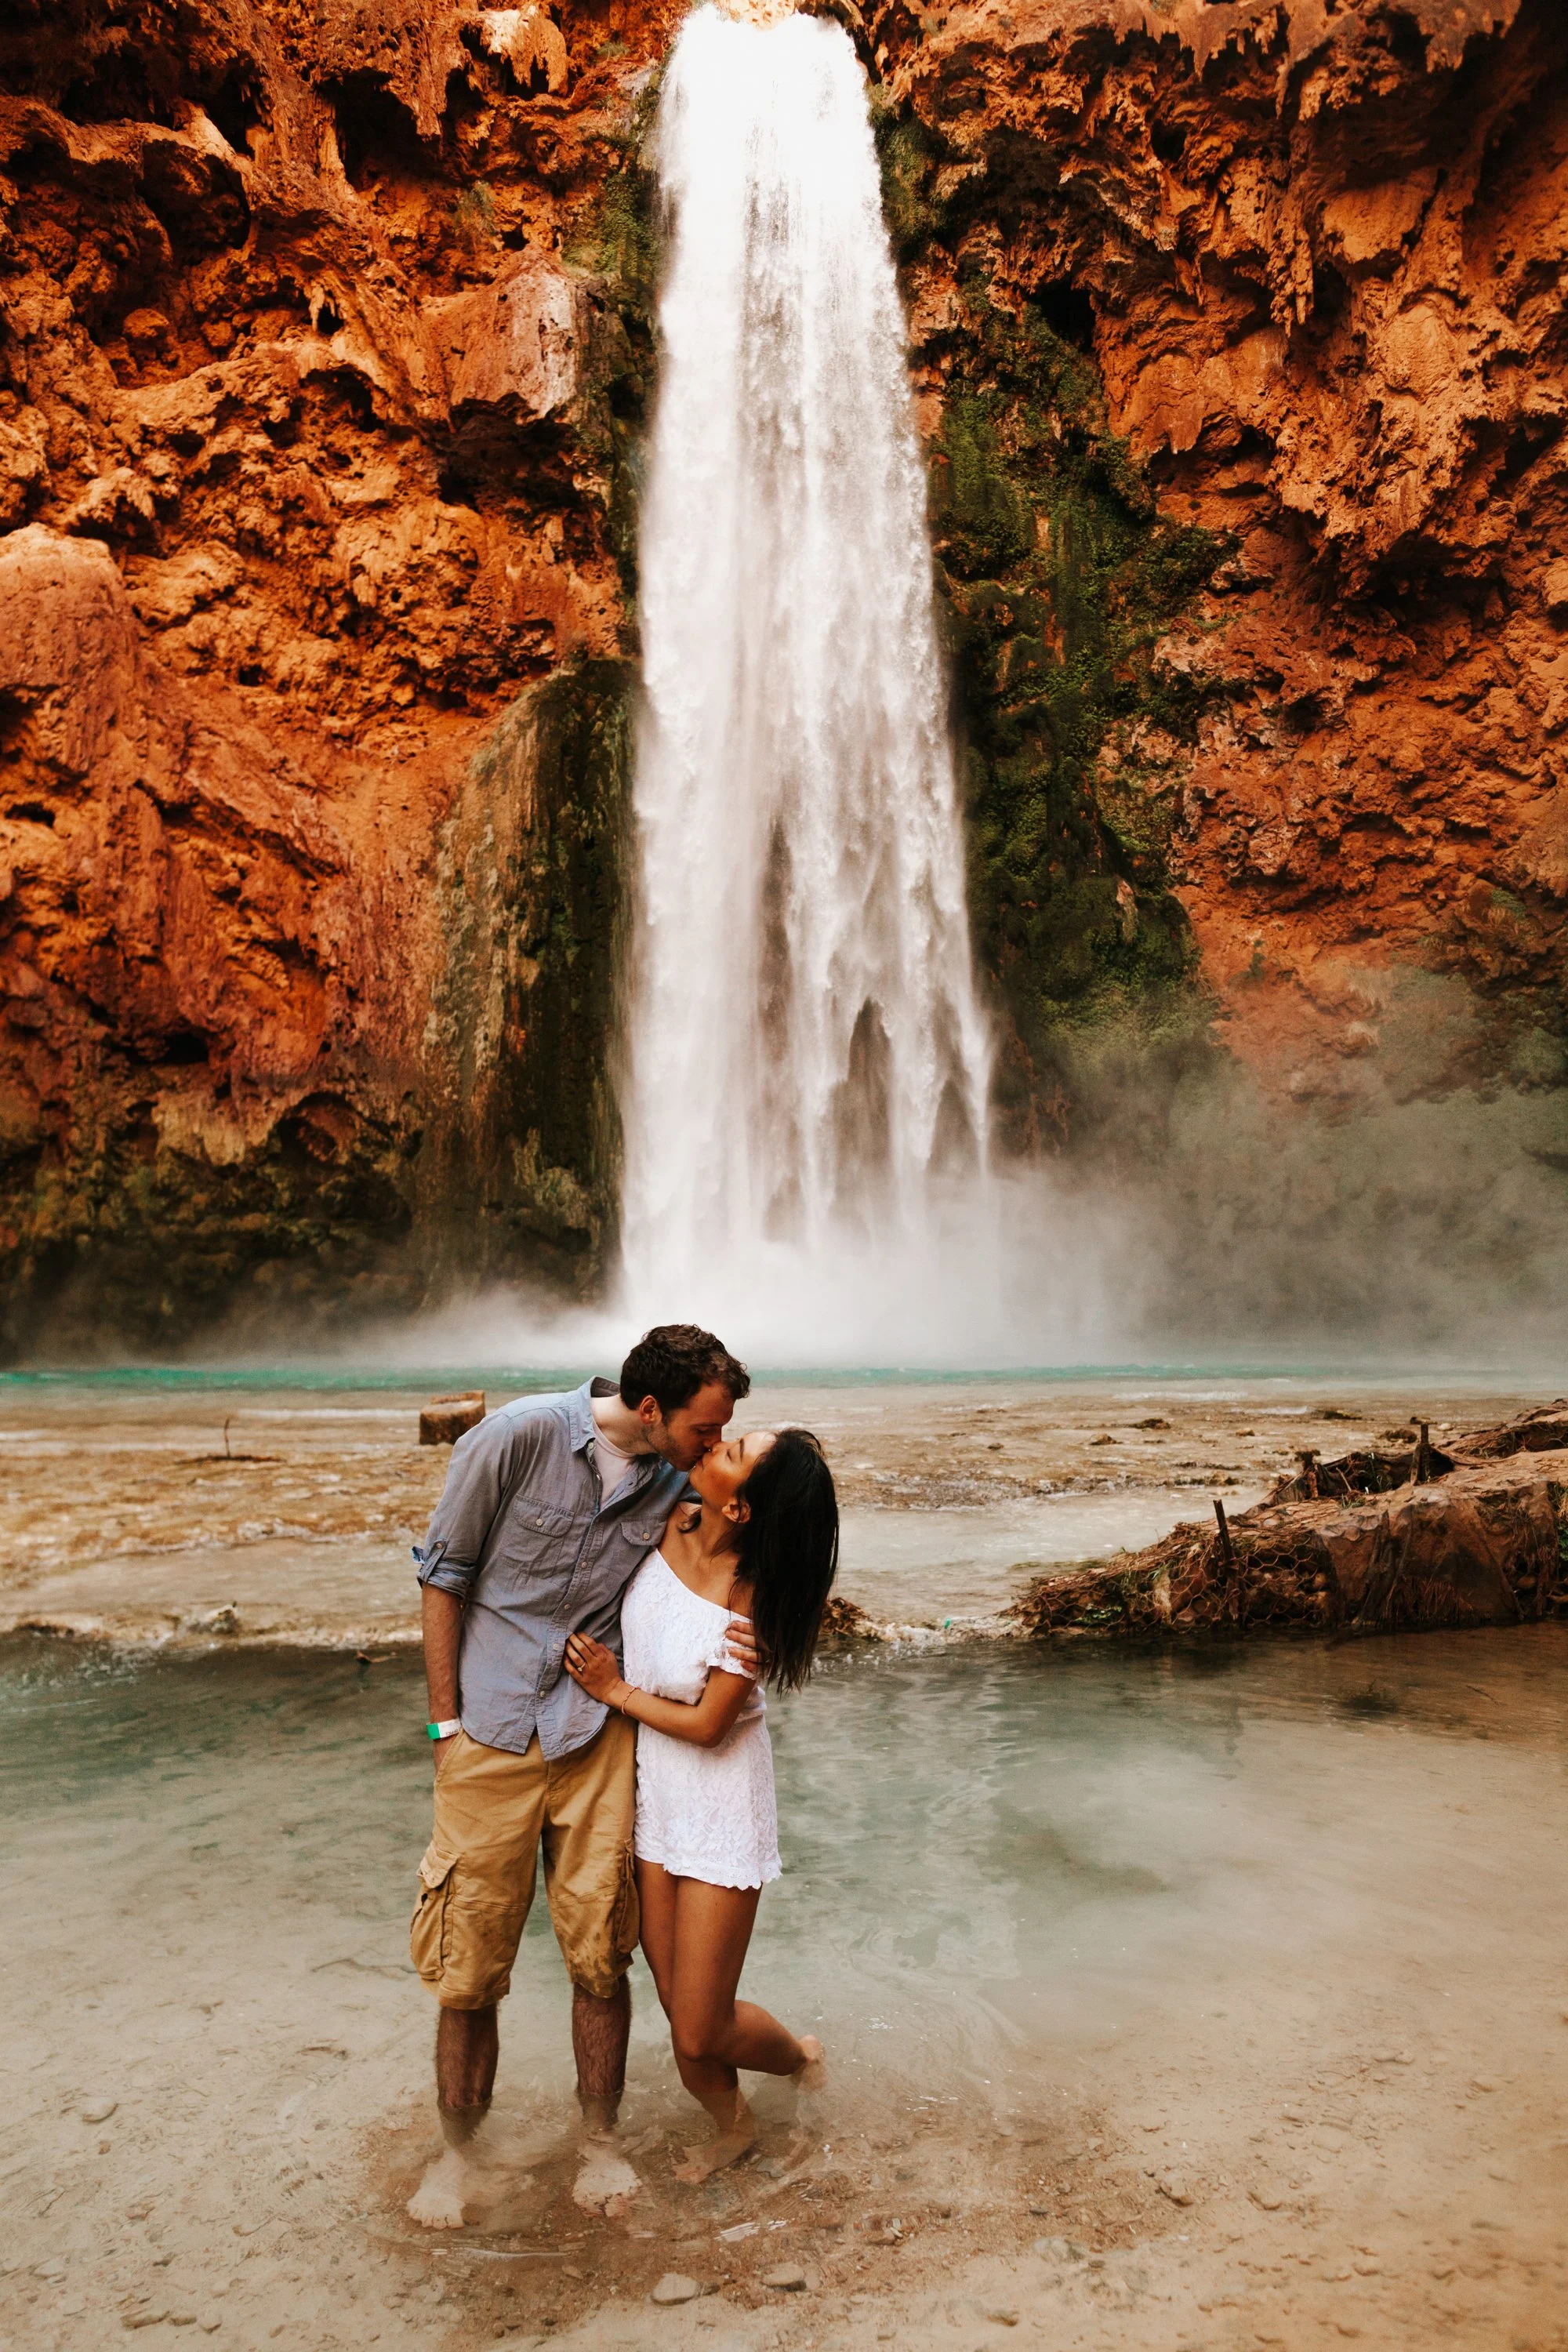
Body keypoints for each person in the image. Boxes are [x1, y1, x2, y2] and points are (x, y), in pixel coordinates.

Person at [405, 1324, 753, 2228]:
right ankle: (456, 2153)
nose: (711, 1450)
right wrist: (444, 1724)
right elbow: (442, 1577)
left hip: (596, 1736)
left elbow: (756, 1532)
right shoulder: (516, 1438)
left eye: (721, 1436)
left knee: (602, 1952)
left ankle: (598, 2141)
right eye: (702, 1432)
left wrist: (782, 1631)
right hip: (486, 1731)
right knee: (467, 1964)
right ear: (649, 1410)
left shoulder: (679, 1480)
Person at [564, 1423, 840, 2178]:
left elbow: (713, 1728)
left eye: (732, 1454)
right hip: (658, 1800)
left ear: (744, 1508)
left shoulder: (746, 1601)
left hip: (720, 1809)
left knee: (700, 2025)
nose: (712, 1449)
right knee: (684, 2019)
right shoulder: (670, 1515)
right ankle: (737, 2126)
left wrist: (613, 1691)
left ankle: (801, 2057)